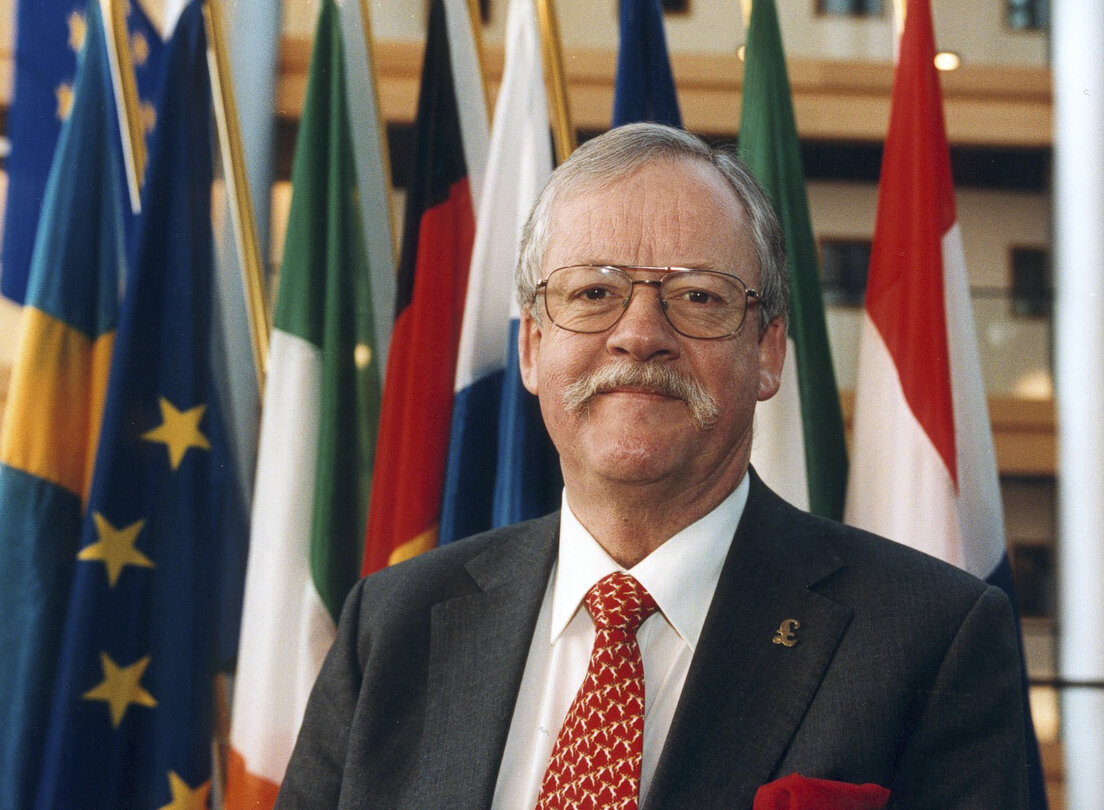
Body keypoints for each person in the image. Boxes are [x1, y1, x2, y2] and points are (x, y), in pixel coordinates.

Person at [275, 123, 1029, 809]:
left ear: (767, 353)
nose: (639, 335)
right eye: (594, 292)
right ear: (533, 347)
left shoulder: (931, 640)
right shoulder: (392, 625)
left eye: (697, 297)